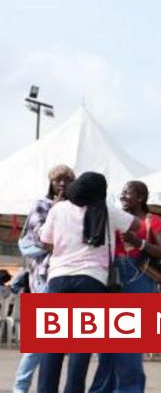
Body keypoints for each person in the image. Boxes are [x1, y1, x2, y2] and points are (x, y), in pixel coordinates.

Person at [37, 172, 139, 393]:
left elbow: (45, 241)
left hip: (58, 279)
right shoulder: (107, 210)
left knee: (52, 344)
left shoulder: (58, 209)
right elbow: (136, 226)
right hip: (92, 281)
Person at [90, 180, 161, 393]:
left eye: (127, 193)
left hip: (139, 279)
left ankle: (129, 389)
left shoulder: (153, 221)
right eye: (122, 192)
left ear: (141, 198)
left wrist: (139, 243)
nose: (122, 196)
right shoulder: (116, 217)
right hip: (112, 278)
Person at [13, 164, 75, 393]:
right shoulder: (43, 204)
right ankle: (21, 386)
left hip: (67, 275)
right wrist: (56, 211)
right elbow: (40, 237)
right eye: (58, 179)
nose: (62, 184)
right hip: (44, 276)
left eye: (67, 180)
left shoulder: (75, 208)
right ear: (51, 181)